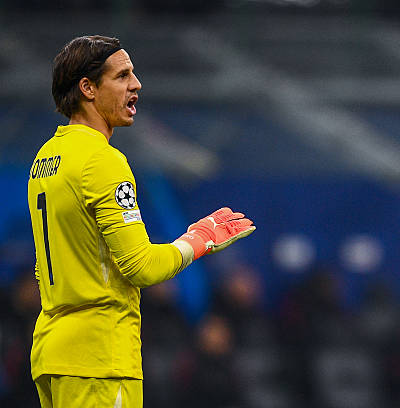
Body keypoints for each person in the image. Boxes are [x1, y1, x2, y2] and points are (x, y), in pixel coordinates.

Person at [27, 35, 255, 408]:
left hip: (53, 353)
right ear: (87, 88)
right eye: (122, 76)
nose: (137, 84)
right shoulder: (103, 160)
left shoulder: (46, 158)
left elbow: (43, 270)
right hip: (100, 357)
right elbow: (142, 267)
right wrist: (199, 239)